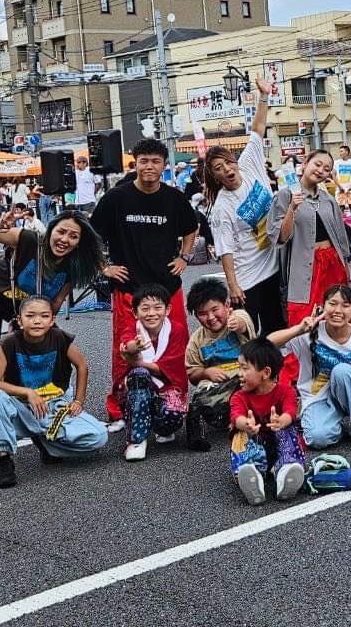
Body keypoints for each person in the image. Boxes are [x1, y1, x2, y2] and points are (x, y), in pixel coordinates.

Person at [91, 137, 199, 429]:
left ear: (164, 166)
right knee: (126, 349)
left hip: (167, 287)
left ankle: (175, 400)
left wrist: (185, 258)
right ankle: (120, 408)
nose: (149, 167)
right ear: (135, 163)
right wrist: (105, 267)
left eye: (155, 161)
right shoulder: (116, 198)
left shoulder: (175, 198)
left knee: (174, 346)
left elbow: (192, 228)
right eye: (144, 161)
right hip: (129, 287)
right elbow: (90, 235)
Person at [0, 295, 108, 489]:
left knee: (98, 436)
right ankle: (3, 458)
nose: (37, 321)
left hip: (54, 406)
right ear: (20, 320)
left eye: (44, 316)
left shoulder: (60, 338)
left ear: (52, 319)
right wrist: (27, 392)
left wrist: (78, 401)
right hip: (21, 407)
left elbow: (82, 365)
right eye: (30, 316)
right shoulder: (9, 343)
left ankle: (47, 444)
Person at [0, 209, 102, 397]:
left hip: (26, 306)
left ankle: (43, 400)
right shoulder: (30, 240)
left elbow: (55, 303)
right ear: (51, 230)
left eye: (73, 236)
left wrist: (53, 335)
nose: (64, 240)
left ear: (79, 243)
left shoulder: (72, 266)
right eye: (61, 232)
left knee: (50, 345)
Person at [206, 77, 284, 335]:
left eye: (228, 163)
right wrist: (233, 284)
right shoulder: (222, 208)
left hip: (273, 267)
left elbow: (258, 128)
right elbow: (225, 250)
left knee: (277, 328)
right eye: (219, 169)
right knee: (249, 334)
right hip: (247, 277)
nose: (227, 169)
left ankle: (277, 375)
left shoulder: (250, 163)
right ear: (215, 177)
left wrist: (264, 96)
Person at [269, 284, 351, 448]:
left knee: (341, 370)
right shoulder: (309, 334)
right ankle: (333, 424)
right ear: (322, 307)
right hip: (318, 397)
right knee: (318, 438)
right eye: (332, 304)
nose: (338, 310)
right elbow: (267, 345)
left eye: (345, 305)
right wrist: (298, 330)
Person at [269, 149, 349, 326]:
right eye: (317, 164)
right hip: (304, 267)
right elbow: (281, 237)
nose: (321, 170)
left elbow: (342, 243)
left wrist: (347, 274)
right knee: (304, 321)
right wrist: (292, 209)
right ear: (305, 164)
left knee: (335, 317)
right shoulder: (284, 195)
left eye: (327, 169)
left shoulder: (328, 200)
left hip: (332, 263)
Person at [116, 284, 190, 461]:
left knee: (173, 415)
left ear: (168, 309)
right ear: (135, 312)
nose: (151, 313)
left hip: (166, 388)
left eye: (158, 308)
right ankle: (137, 440)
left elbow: (174, 366)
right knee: (139, 374)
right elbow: (127, 345)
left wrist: (139, 361)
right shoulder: (132, 329)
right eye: (145, 308)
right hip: (136, 390)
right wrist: (136, 347)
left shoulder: (177, 330)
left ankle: (161, 427)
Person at [228, 338, 307, 505]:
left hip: (279, 447)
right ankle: (252, 474)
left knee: (287, 428)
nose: (239, 373)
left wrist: (281, 421)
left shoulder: (286, 391)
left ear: (265, 372)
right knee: (239, 433)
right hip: (255, 448)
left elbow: (290, 412)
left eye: (244, 368)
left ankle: (286, 470)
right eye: (239, 367)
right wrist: (246, 425)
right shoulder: (238, 396)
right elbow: (237, 417)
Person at [184, 277, 257, 451]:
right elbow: (192, 374)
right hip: (220, 386)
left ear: (226, 305)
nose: (210, 317)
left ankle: (249, 419)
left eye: (215, 309)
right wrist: (206, 372)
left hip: (245, 379)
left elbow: (243, 323)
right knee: (200, 395)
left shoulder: (237, 317)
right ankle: (197, 433)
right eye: (202, 313)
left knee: (256, 378)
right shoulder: (196, 340)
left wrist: (236, 323)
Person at [333, 144, 351, 213]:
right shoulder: (336, 163)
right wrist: (339, 186)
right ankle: (341, 223)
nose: (340, 153)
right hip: (340, 189)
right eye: (340, 151)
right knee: (341, 207)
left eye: (342, 151)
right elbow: (333, 175)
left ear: (347, 152)